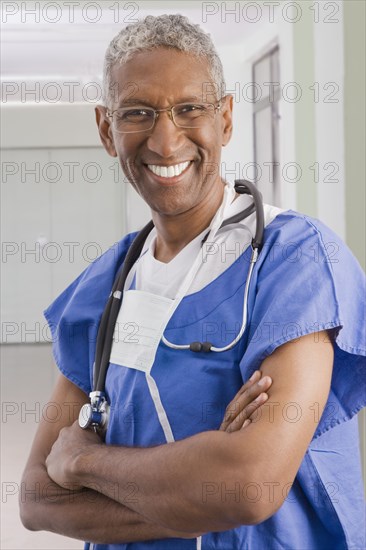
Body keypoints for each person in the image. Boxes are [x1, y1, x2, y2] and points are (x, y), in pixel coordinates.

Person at [20, 14, 365, 550]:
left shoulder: (294, 261)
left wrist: (84, 460)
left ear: (225, 118)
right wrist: (206, 488)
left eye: (189, 109)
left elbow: (251, 485)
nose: (164, 139)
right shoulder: (102, 286)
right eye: (137, 113)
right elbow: (38, 497)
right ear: (106, 130)